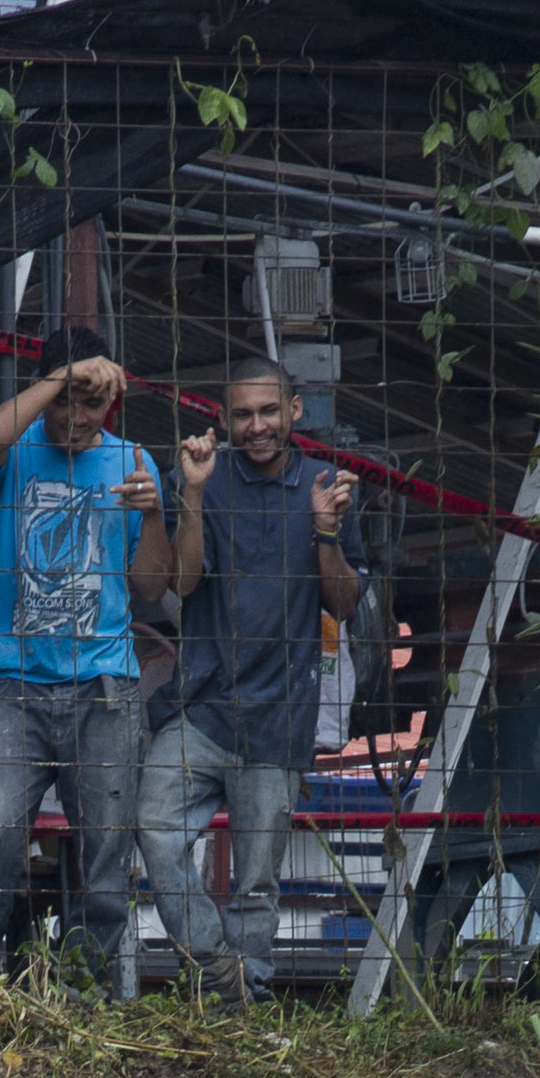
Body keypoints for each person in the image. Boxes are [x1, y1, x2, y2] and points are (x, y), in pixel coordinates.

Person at [137, 359, 362, 1006]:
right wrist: (196, 496)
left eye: (268, 411)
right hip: (200, 705)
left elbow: (343, 604)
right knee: (154, 828)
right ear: (224, 418)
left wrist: (325, 530)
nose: (256, 425)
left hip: (279, 718)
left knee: (258, 884)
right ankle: (215, 964)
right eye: (242, 414)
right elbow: (180, 584)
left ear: (294, 410)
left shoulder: (328, 486)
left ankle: (246, 1002)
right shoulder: (198, 475)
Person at [0, 336, 170, 980]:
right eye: (67, 401)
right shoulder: (16, 450)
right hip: (9, 685)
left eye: (94, 403)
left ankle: (97, 994)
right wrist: (60, 379)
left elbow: (152, 588)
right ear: (47, 391)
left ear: (113, 403)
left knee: (107, 853)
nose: (78, 418)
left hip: (104, 686)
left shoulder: (132, 461)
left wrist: (154, 514)